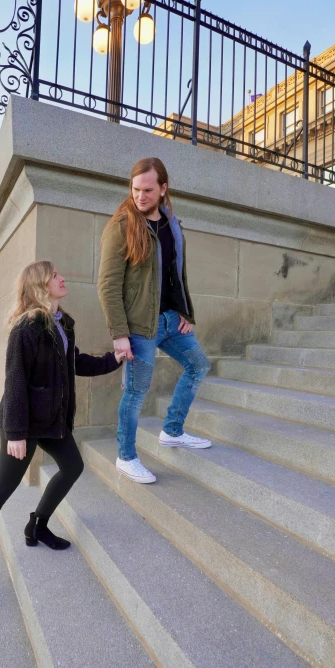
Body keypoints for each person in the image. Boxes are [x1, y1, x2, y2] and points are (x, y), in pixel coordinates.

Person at [0, 261, 124, 599]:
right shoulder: (25, 330)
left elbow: (75, 363)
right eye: (55, 275)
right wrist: (15, 433)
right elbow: (15, 382)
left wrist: (111, 360)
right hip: (24, 423)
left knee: (72, 467)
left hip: (51, 420)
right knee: (1, 489)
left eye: (60, 273)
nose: (62, 277)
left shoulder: (61, 324)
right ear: (41, 285)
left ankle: (37, 525)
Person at [98, 157, 211, 485]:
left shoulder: (173, 224)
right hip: (139, 328)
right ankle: (126, 456)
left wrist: (185, 313)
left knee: (198, 365)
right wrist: (119, 334)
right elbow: (107, 285)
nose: (140, 196)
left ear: (163, 189)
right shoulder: (121, 227)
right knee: (135, 392)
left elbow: (177, 274)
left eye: (148, 189)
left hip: (170, 321)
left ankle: (172, 430)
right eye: (136, 189)